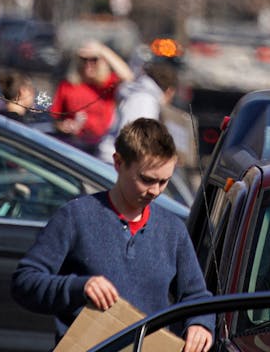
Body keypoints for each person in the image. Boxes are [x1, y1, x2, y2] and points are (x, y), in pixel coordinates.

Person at [11, 117, 214, 352]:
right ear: (118, 162)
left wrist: (201, 324)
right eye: (147, 180)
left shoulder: (173, 229)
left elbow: (197, 296)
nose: (155, 191)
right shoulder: (75, 217)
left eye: (164, 181)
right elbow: (24, 282)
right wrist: (79, 287)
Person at [51, 39, 132, 157]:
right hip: (73, 144)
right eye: (84, 60)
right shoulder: (68, 85)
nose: (89, 64)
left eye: (94, 60)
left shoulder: (108, 84)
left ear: (103, 62)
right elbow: (55, 119)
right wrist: (64, 126)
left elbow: (128, 77)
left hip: (102, 145)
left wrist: (103, 50)